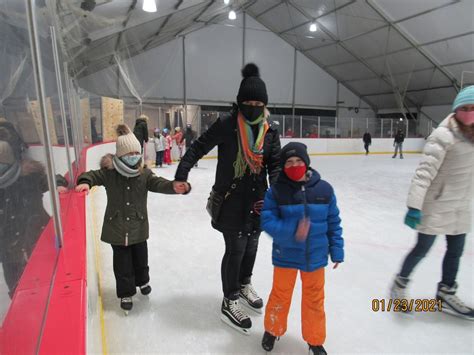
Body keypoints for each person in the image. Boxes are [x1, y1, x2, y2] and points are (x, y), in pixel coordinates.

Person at [174, 63, 281, 333]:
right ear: (240, 102)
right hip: (232, 199)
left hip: (259, 199)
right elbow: (198, 147)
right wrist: (182, 172)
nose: (254, 106)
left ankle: (244, 284)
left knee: (253, 245)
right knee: (236, 249)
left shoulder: (269, 131)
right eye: (249, 101)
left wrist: (280, 194)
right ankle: (229, 299)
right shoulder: (227, 124)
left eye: (259, 102)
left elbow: (275, 165)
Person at [75, 124, 190, 313]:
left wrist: (173, 187)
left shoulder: (143, 173)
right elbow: (91, 175)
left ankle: (143, 281)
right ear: (120, 155)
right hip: (116, 227)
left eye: (136, 153)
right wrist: (85, 183)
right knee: (122, 264)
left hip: (138, 225)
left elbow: (158, 183)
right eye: (129, 154)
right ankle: (126, 292)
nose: (134, 156)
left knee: (140, 258)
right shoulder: (109, 173)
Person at [390, 85, 474, 320]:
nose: (469, 112)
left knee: (455, 251)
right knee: (422, 249)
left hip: (460, 206)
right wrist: (414, 206)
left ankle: (446, 290)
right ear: (456, 110)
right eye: (464, 108)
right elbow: (423, 173)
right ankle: (399, 284)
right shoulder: (443, 135)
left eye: (473, 108)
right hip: (435, 205)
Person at [260, 142, 343, 355]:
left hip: (315, 257)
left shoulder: (324, 190)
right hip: (286, 255)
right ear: (283, 166)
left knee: (314, 299)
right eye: (289, 162)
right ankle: (272, 329)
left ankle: (315, 340)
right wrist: (292, 230)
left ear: (306, 163)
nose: (294, 165)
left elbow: (334, 222)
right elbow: (267, 221)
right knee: (280, 295)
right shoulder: (276, 191)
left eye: (298, 161)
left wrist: (337, 249)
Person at [0, 140, 68, 298]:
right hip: (9, 251)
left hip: (38, 238)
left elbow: (51, 180)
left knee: (47, 281)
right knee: (18, 292)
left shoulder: (30, 176)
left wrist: (57, 184)